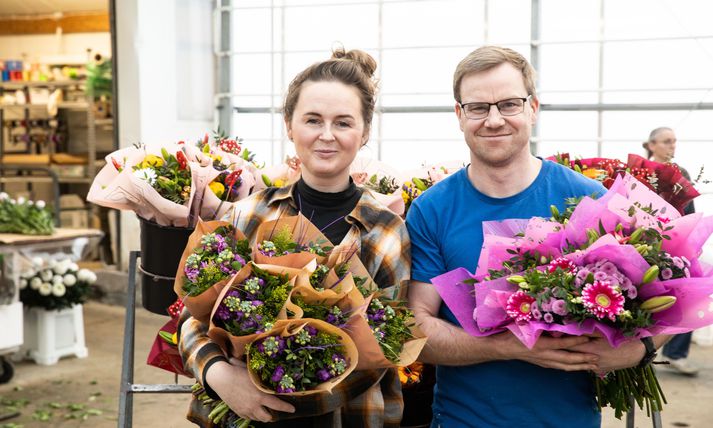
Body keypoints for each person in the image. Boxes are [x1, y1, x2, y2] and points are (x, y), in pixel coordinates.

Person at [406, 45, 669, 427]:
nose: (494, 119)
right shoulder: (432, 209)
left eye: (509, 104)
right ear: (459, 115)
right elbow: (418, 326)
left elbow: (669, 296)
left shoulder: (589, 200)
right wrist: (510, 346)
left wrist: (638, 351)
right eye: (478, 107)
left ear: (533, 108)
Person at [178, 48, 411, 427]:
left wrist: (291, 387)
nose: (326, 135)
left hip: (347, 415)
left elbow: (386, 343)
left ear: (365, 132)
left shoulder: (385, 230)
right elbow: (192, 319)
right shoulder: (248, 214)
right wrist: (220, 375)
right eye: (313, 120)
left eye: (343, 123)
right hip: (244, 413)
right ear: (289, 125)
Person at [644, 126, 698, 376]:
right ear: (652, 144)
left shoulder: (681, 173)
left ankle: (676, 353)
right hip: (644, 247)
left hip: (674, 246)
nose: (672, 146)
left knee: (686, 297)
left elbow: (690, 213)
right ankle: (640, 351)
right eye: (667, 142)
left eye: (674, 141)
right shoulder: (639, 171)